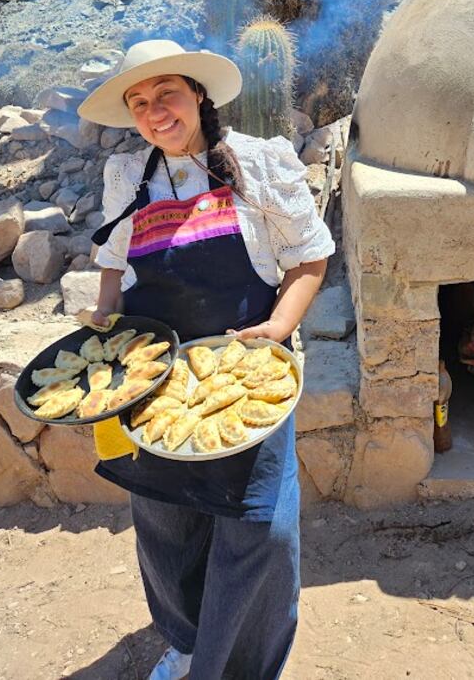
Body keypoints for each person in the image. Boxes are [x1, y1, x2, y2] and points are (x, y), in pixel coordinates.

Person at [77, 39, 335, 680]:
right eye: (139, 102)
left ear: (197, 94)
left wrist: (277, 329)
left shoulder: (257, 162)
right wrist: (107, 318)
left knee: (260, 531)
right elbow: (114, 263)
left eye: (165, 92)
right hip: (157, 379)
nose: (154, 110)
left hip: (244, 375)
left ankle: (241, 666)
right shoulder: (126, 177)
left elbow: (309, 255)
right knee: (164, 521)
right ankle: (188, 639)